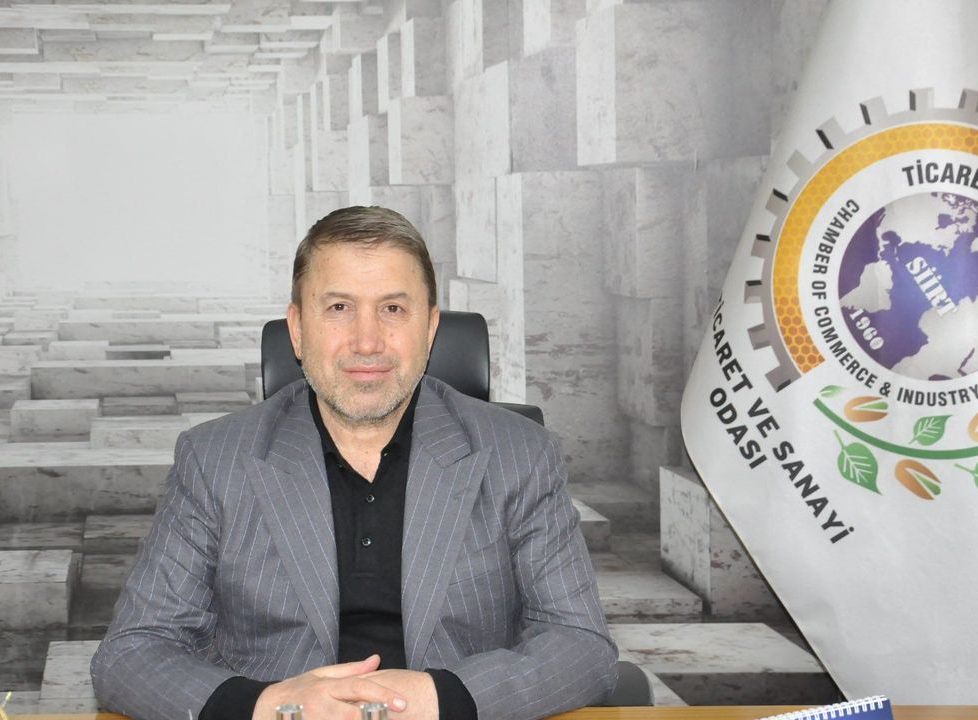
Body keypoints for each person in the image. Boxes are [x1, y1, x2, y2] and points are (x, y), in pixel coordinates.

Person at [91, 206, 617, 720]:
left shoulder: (520, 455)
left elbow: (581, 645)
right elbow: (132, 653)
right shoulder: (214, 459)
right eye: (339, 307)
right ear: (298, 329)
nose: (367, 342)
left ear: (430, 328)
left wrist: (439, 699)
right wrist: (271, 707)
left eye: (393, 309)